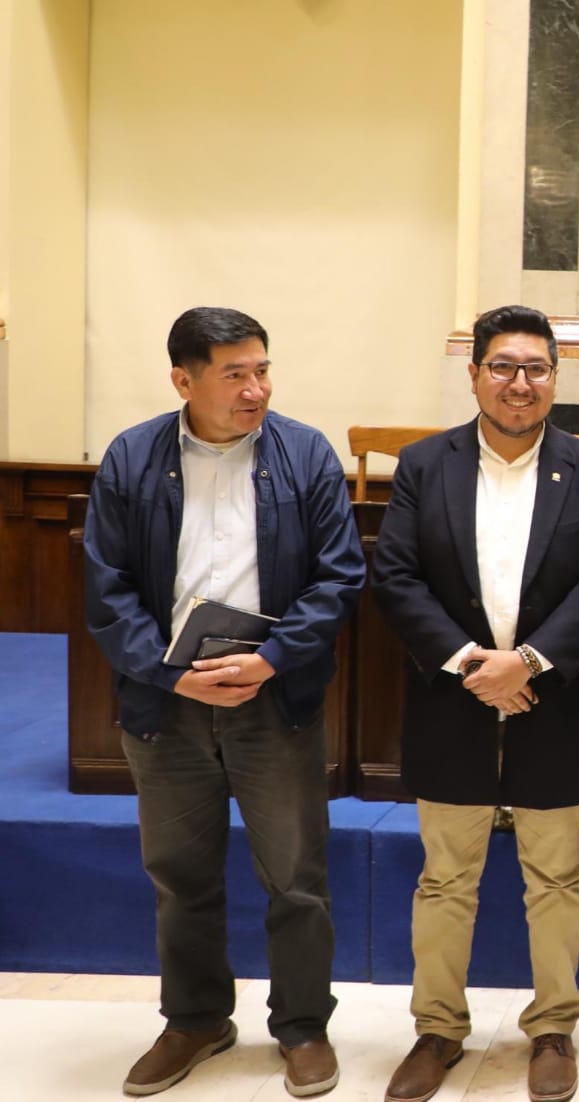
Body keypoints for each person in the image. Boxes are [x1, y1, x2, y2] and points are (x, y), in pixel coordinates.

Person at [83, 306, 365, 1097]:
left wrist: (272, 659)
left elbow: (339, 578)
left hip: (273, 699)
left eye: (263, 369)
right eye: (235, 373)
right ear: (184, 379)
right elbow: (106, 595)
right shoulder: (132, 458)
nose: (256, 388)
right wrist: (170, 674)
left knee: (297, 877)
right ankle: (197, 1019)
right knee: (180, 874)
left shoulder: (303, 453)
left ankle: (303, 1026)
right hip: (164, 703)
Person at [370, 305, 579, 1102]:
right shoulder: (424, 465)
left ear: (556, 377)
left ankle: (553, 1027)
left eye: (537, 368)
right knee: (446, 879)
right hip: (453, 701)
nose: (521, 383)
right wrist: (470, 663)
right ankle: (437, 1031)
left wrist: (530, 661)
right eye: (504, 367)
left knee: (555, 875)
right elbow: (397, 576)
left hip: (550, 701)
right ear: (475, 372)